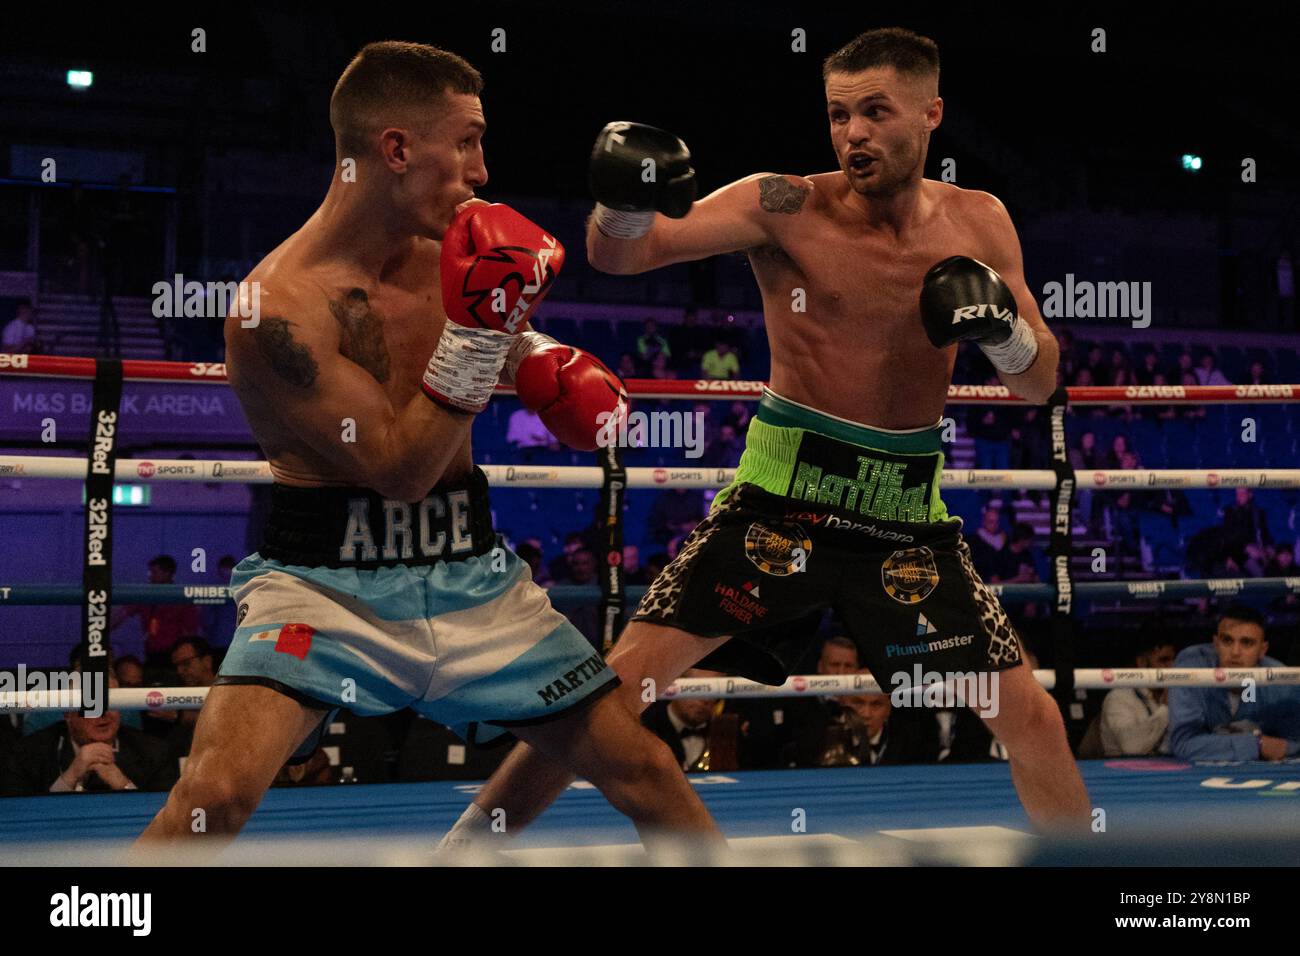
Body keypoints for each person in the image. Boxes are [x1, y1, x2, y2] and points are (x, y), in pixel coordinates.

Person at [443, 28, 1090, 848]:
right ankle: (458, 854)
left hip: (904, 517)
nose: (853, 133)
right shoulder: (784, 203)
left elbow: (1041, 383)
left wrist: (1003, 335)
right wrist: (623, 199)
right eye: (838, 114)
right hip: (779, 505)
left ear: (930, 115)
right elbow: (625, 255)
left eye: (875, 112)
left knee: (1025, 713)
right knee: (611, 693)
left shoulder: (980, 220)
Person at [138, 41, 717, 853]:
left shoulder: (451, 256)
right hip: (323, 589)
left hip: (472, 574)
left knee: (649, 773)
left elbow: (492, 342)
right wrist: (487, 338)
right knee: (218, 793)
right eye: (468, 140)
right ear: (398, 148)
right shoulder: (279, 307)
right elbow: (400, 468)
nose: (482, 170)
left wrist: (544, 357)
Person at [1168, 604, 1300, 761]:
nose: (1235, 652)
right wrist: (1256, 745)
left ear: (1262, 650)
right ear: (1216, 644)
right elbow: (1183, 743)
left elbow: (1293, 744)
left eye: (1246, 643)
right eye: (1227, 641)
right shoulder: (1191, 668)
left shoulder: (1281, 682)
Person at [109, 555, 202, 670]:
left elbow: (191, 632)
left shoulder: (182, 597)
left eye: (154, 572)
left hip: (175, 656)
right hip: (151, 653)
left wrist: (186, 660)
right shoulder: (146, 595)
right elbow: (121, 614)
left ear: (167, 573)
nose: (150, 576)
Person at [1098, 635, 1175, 757]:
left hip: (1167, 769)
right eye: (1164, 660)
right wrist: (1166, 708)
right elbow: (1132, 748)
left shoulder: (1173, 694)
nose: (1172, 667)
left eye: (1173, 660)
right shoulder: (1119, 697)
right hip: (1124, 772)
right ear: (1142, 662)